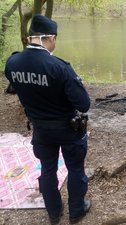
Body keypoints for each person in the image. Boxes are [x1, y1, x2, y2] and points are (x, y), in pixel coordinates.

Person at [5, 14, 91, 224]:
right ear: (49, 38)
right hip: (68, 130)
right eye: (55, 39)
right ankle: (76, 211)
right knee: (75, 169)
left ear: (30, 37)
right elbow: (83, 104)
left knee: (48, 168)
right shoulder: (59, 67)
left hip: (41, 130)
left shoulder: (12, 63)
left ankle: (54, 213)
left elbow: (15, 89)